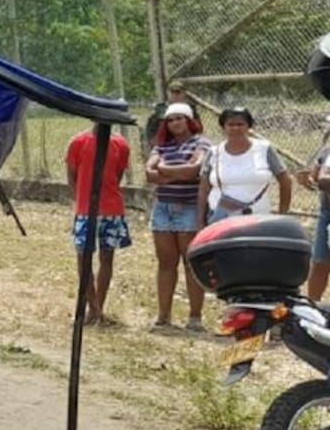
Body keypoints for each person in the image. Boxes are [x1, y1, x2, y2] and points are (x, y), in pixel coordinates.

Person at [144, 102, 211, 331]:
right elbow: (149, 173)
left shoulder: (200, 143)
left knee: (190, 264)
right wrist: (179, 173)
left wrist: (165, 170)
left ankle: (195, 317)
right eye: (171, 120)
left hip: (189, 207)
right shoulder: (162, 145)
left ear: (189, 120)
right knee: (166, 263)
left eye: (180, 119)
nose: (175, 124)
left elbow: (195, 169)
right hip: (164, 208)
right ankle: (164, 316)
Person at [66, 125, 132, 326]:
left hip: (111, 208)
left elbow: (118, 175)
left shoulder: (120, 144)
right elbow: (72, 176)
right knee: (84, 258)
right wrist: (81, 200)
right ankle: (92, 307)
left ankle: (99, 307)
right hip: (86, 209)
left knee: (106, 257)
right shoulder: (78, 142)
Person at [197, 106, 292, 226]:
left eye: (240, 124)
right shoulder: (214, 152)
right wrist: (200, 221)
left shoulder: (264, 149)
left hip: (258, 218)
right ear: (223, 127)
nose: (235, 128)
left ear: (248, 126)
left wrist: (282, 214)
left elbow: (285, 181)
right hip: (220, 218)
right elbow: (203, 189)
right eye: (230, 124)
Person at [299, 117, 330, 300]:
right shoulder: (326, 152)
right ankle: (314, 306)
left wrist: (321, 181)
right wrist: (308, 180)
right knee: (320, 262)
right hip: (327, 212)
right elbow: (317, 179)